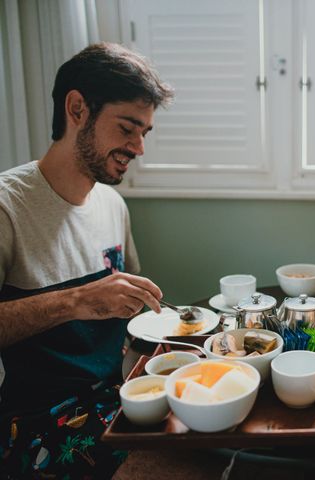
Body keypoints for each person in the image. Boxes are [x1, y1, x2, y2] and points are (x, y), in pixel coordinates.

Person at [0, 42, 173, 478]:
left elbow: (132, 321)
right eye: (127, 128)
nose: (138, 148)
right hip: (38, 421)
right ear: (77, 109)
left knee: (220, 436)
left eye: (144, 133)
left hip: (116, 394)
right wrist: (75, 301)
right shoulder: (8, 208)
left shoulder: (113, 205)